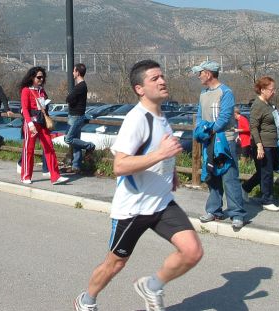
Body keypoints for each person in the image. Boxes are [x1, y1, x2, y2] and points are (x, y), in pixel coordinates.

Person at [74, 60, 203, 311]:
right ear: (139, 89)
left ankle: (152, 286)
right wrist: (161, 156)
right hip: (134, 208)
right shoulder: (137, 119)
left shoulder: (161, 115)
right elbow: (119, 166)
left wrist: (171, 171)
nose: (162, 81)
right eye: (154, 78)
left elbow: (159, 150)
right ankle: (86, 300)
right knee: (116, 264)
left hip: (161, 202)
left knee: (192, 251)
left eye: (162, 76)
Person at [192, 60, 246, 229]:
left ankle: (236, 214)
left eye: (200, 73)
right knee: (212, 175)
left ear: (208, 74)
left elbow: (224, 117)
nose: (198, 76)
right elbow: (200, 115)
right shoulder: (203, 93)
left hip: (225, 141)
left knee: (229, 177)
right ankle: (214, 210)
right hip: (210, 141)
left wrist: (211, 130)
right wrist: (201, 129)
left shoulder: (226, 92)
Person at [19, 66, 68, 185]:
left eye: (42, 77)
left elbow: (44, 106)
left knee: (49, 147)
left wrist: (46, 104)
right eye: (38, 77)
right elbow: (24, 109)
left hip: (42, 122)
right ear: (32, 77)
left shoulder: (41, 90)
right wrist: (30, 124)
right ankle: (25, 175)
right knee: (29, 149)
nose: (41, 79)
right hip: (31, 122)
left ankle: (55, 176)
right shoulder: (26, 90)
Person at [241, 76, 279, 212]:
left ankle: (245, 188)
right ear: (263, 90)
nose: (274, 92)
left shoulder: (269, 105)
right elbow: (253, 127)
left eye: (274, 89)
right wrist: (259, 146)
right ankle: (267, 200)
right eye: (271, 89)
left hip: (273, 143)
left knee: (264, 171)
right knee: (267, 173)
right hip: (263, 144)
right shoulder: (257, 105)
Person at [64, 63, 95, 173]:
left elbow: (68, 99)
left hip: (76, 116)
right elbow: (70, 99)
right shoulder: (80, 86)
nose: (72, 73)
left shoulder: (80, 86)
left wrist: (69, 97)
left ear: (77, 72)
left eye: (73, 71)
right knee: (75, 141)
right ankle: (76, 165)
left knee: (68, 139)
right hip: (74, 115)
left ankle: (90, 146)